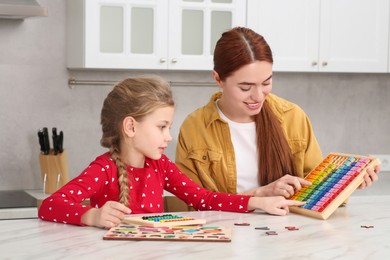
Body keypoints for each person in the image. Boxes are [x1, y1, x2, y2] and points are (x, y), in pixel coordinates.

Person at [38, 76, 306, 229]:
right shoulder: (104, 169)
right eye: (161, 127)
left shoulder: (161, 166)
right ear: (130, 126)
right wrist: (92, 216)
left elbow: (204, 199)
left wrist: (258, 201)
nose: (168, 136)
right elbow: (50, 206)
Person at [175, 27, 380, 200]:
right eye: (245, 87)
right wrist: (259, 195)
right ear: (218, 79)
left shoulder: (293, 117)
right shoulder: (195, 127)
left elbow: (314, 191)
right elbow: (192, 203)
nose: (258, 96)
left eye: (266, 83)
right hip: (225, 237)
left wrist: (347, 183)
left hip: (285, 238)